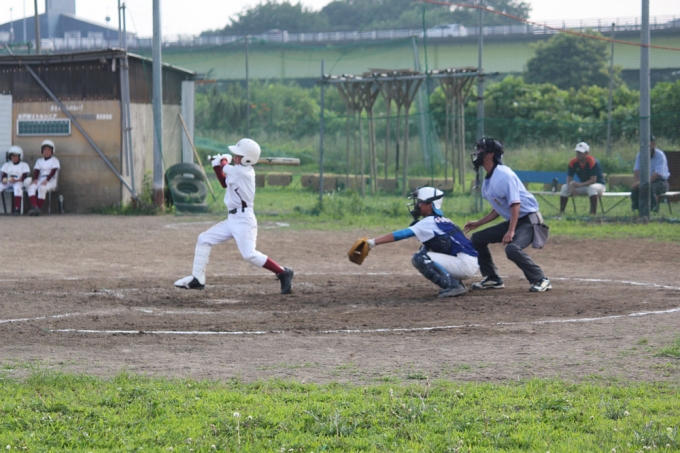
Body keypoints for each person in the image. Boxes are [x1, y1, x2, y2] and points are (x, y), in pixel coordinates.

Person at [174, 138, 294, 294]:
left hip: (244, 220)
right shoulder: (238, 170)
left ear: (247, 159)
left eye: (238, 155)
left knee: (249, 255)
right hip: (232, 219)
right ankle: (197, 279)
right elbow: (224, 182)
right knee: (204, 239)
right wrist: (217, 166)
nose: (235, 157)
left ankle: (283, 272)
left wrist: (223, 161)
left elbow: (225, 167)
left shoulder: (243, 172)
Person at [463, 137, 552, 293]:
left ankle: (541, 279)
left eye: (481, 149)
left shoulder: (504, 175)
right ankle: (492, 278)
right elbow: (499, 208)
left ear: (490, 154)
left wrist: (511, 230)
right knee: (477, 238)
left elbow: (515, 204)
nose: (477, 153)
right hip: (516, 220)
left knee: (512, 249)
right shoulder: (489, 179)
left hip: (529, 220)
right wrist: (479, 223)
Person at [363, 187, 479, 298]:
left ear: (430, 205)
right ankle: (455, 282)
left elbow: (401, 234)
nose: (416, 205)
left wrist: (372, 242)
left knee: (420, 258)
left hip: (464, 265)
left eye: (420, 202)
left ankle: (453, 286)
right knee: (425, 249)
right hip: (467, 261)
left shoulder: (429, 222)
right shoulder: (442, 220)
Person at [559, 142, 606, 216]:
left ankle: (592, 213)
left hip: (598, 186)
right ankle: (561, 212)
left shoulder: (592, 162)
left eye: (581, 153)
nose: (578, 154)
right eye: (577, 152)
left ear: (587, 153)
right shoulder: (573, 162)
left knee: (591, 188)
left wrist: (579, 185)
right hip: (584, 186)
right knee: (564, 187)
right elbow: (569, 177)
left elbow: (593, 180)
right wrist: (571, 188)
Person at [631, 135, 670, 213]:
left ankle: (652, 211)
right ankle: (636, 210)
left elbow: (657, 174)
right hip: (645, 181)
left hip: (660, 182)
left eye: (647, 144)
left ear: (653, 144)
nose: (645, 146)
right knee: (635, 189)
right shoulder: (640, 154)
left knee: (649, 188)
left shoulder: (660, 155)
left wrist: (644, 183)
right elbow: (636, 170)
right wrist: (637, 182)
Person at [27, 139, 60, 216]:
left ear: (52, 151)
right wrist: (35, 179)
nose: (46, 151)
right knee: (31, 187)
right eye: (45, 149)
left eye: (48, 149)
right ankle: (35, 207)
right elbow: (37, 171)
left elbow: (53, 171)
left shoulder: (54, 160)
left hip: (51, 180)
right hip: (40, 179)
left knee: (42, 188)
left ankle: (38, 208)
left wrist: (47, 180)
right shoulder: (39, 161)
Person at [1, 146, 32, 215]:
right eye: (12, 156)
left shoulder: (24, 165)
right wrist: (4, 180)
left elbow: (24, 176)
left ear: (20, 156)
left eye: (15, 156)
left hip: (18, 181)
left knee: (17, 188)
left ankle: (17, 208)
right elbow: (4, 175)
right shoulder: (7, 164)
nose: (14, 158)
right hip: (9, 181)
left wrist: (16, 180)